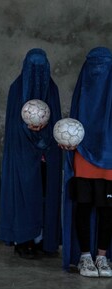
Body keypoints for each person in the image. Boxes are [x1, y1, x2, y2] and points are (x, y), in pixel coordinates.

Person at [0, 49, 62, 258]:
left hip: (47, 156)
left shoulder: (51, 89)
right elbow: (14, 128)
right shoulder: (17, 89)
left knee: (45, 196)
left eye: (42, 67)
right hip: (23, 156)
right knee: (24, 196)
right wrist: (29, 130)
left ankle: (44, 240)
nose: (37, 73)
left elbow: (56, 123)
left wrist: (45, 133)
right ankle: (23, 240)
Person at [62, 47, 112, 277]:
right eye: (93, 66)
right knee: (83, 206)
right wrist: (66, 141)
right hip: (83, 155)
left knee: (107, 209)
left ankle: (102, 256)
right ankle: (84, 257)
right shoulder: (82, 93)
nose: (98, 71)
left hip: (109, 158)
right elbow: (71, 127)